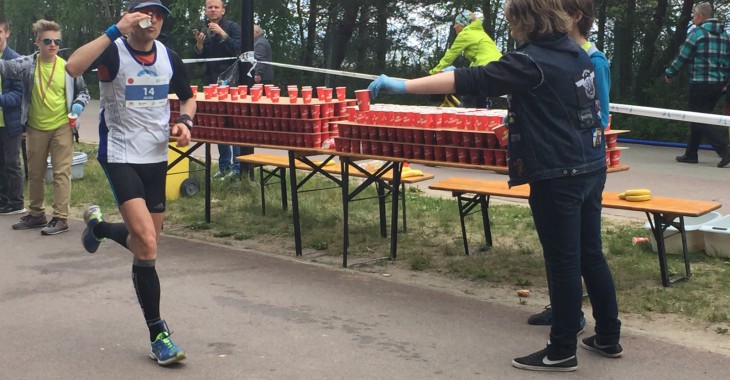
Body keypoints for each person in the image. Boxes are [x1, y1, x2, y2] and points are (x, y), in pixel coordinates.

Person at [368, 0, 622, 371]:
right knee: (590, 254)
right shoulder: (576, 52)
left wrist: (402, 84)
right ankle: (608, 336)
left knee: (563, 261)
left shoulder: (530, 60)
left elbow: (469, 79)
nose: (510, 25)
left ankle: (562, 348)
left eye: (511, 19)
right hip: (590, 165)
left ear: (524, 19)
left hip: (557, 173)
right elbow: (562, 106)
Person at [66, 0, 196, 366]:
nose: (152, 20)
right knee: (149, 244)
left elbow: (188, 95)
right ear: (133, 16)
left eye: (159, 15)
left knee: (145, 244)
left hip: (156, 158)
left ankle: (100, 227)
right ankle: (159, 335)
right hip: (121, 156)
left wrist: (186, 122)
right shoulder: (113, 51)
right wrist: (116, 28)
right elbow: (73, 66)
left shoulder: (169, 56)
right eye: (145, 13)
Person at [527, 0, 612, 328]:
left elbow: (599, 115)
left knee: (581, 251)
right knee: (557, 245)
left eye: (558, 11)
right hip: (556, 161)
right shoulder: (548, 53)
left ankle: (573, 322)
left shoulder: (594, 59)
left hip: (577, 165)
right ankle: (566, 309)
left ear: (576, 16)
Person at [0, 19, 90, 235]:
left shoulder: (69, 67)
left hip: (62, 127)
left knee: (61, 173)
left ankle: (60, 218)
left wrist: (78, 105)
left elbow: (84, 92)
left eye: (57, 41)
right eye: (48, 40)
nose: (53, 45)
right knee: (36, 173)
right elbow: (5, 68)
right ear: (38, 42)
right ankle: (37, 214)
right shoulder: (27, 64)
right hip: (35, 127)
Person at [665, 2, 730, 168]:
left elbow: (683, 56)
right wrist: (726, 81)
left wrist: (670, 72)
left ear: (701, 17)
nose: (692, 17)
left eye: (694, 15)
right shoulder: (724, 36)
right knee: (700, 115)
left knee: (699, 117)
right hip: (718, 85)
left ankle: (724, 149)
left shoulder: (697, 34)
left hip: (700, 83)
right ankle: (691, 154)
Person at [194, 0, 243, 179]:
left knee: (234, 123)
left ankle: (237, 168)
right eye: (209, 7)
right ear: (205, 10)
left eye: (216, 7)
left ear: (223, 10)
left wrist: (223, 34)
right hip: (212, 82)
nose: (213, 10)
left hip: (232, 81)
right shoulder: (204, 28)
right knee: (219, 124)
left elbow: (239, 50)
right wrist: (199, 46)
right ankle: (223, 166)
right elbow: (201, 59)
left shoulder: (233, 27)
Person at [429, 10, 502, 108]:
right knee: (480, 102)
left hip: (485, 68)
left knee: (468, 97)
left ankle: (464, 118)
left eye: (456, 23)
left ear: (463, 24)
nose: (454, 26)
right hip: (498, 69)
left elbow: (449, 56)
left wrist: (434, 73)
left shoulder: (465, 34)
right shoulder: (481, 34)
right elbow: (478, 60)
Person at [0, 17, 25, 216]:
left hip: (10, 123)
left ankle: (16, 202)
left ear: (7, 33)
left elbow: (19, 94)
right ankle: (3, 199)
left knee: (11, 162)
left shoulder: (15, 60)